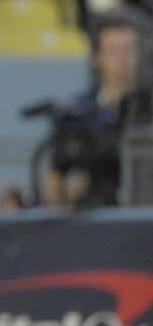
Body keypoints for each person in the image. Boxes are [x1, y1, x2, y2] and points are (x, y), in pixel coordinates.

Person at [42, 15, 152, 208]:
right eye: (113, 51)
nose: (122, 60)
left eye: (128, 50)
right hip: (99, 223)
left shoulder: (148, 107)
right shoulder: (77, 114)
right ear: (96, 58)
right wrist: (69, 193)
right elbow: (55, 182)